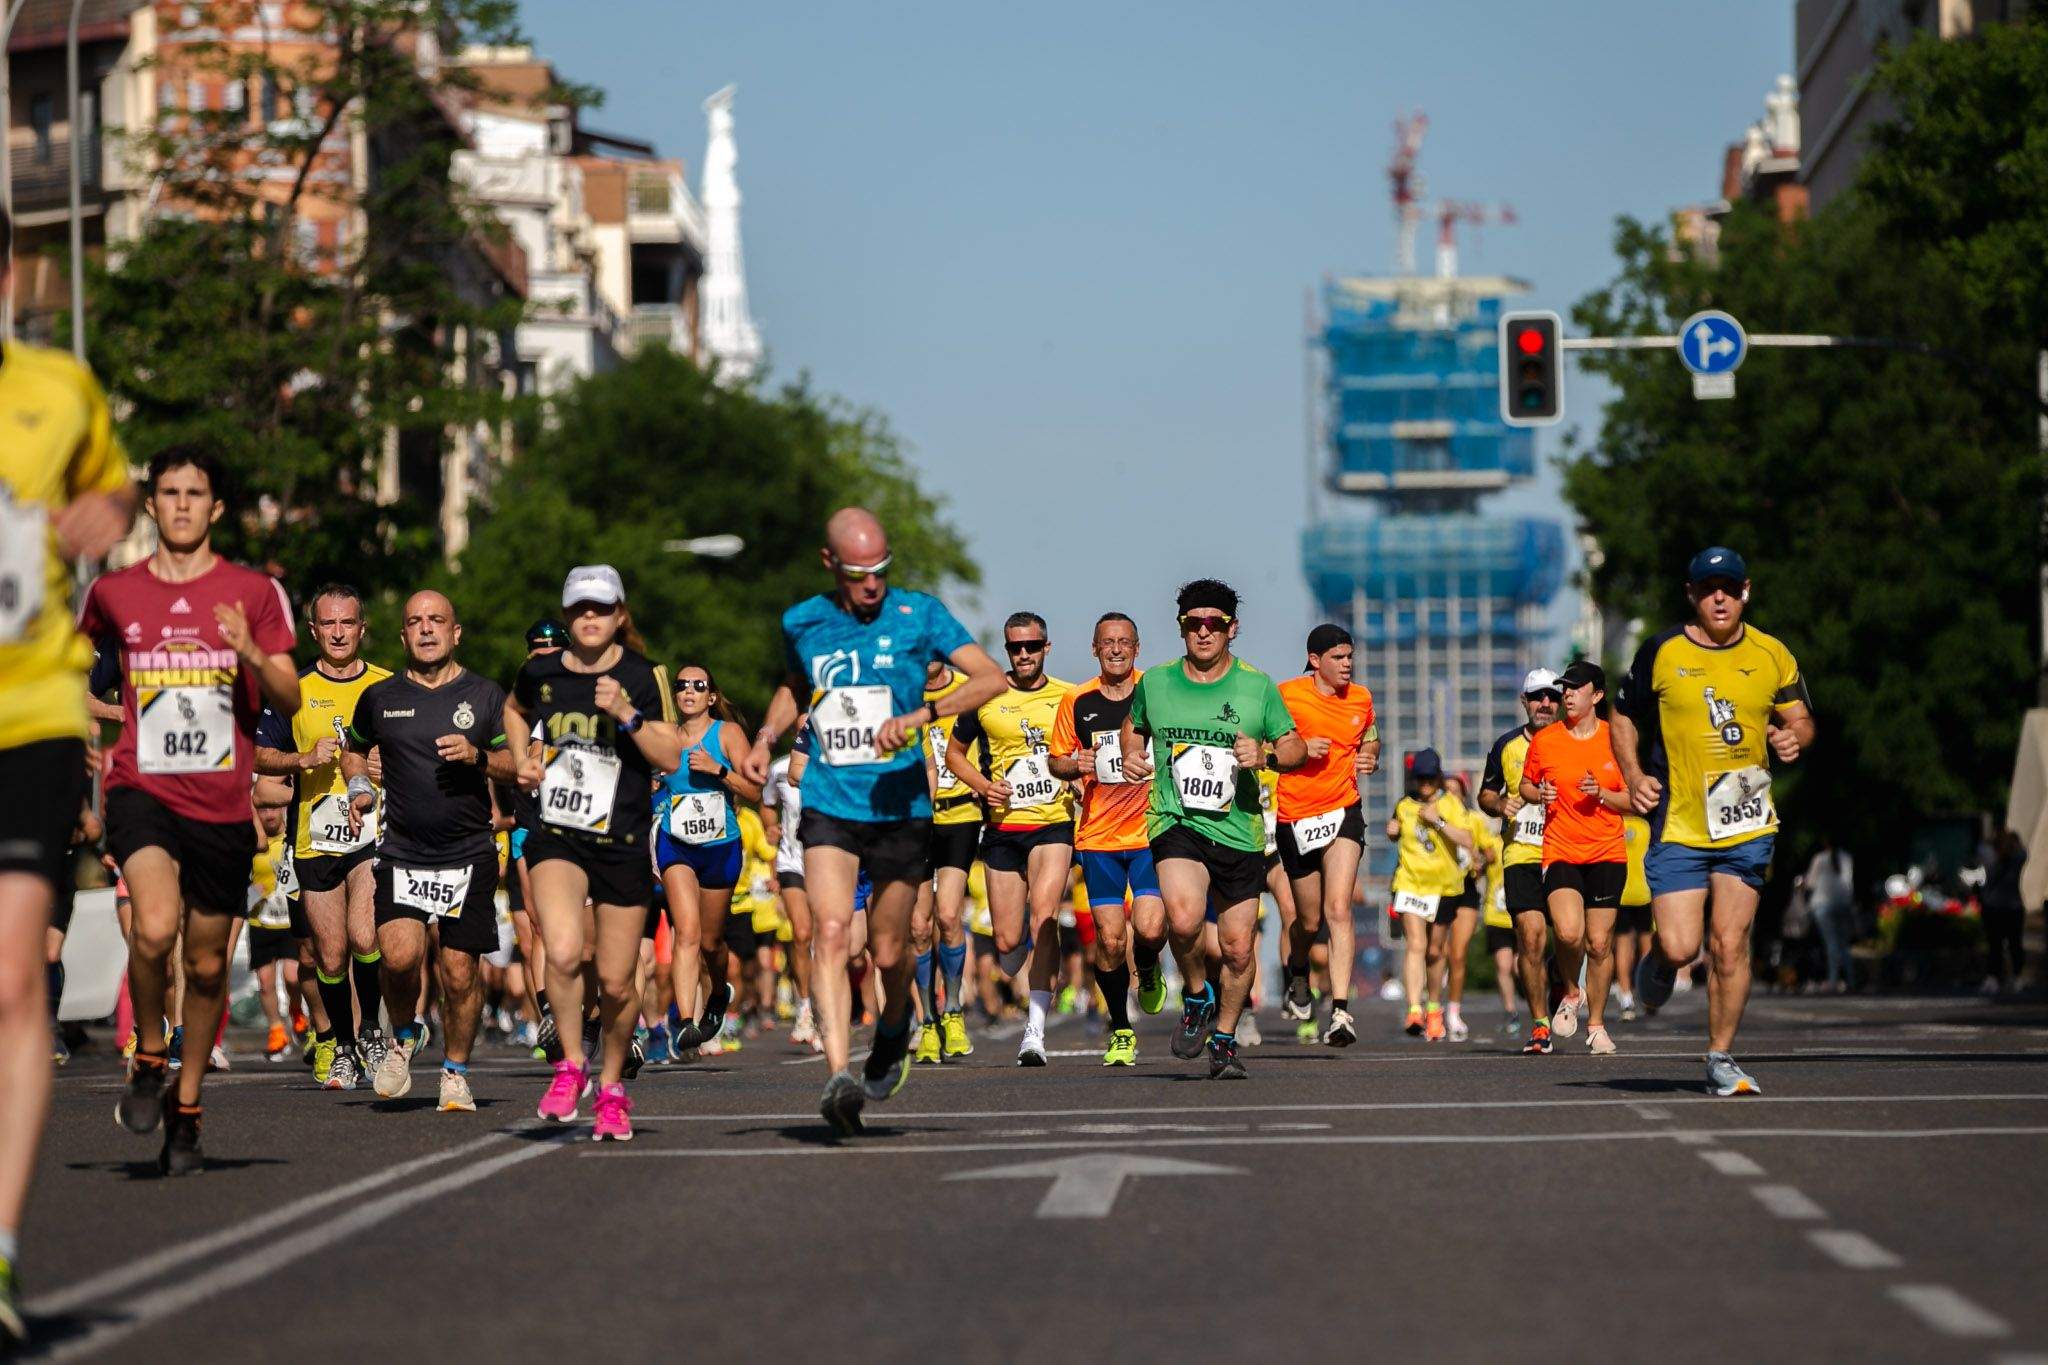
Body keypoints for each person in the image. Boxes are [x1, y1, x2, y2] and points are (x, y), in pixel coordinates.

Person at [739, 507, 1004, 1134]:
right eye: (858, 574)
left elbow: (989, 677)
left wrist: (924, 715)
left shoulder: (920, 614)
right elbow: (794, 687)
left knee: (890, 949)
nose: (871, 586)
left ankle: (894, 1029)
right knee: (830, 932)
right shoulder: (802, 620)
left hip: (900, 805)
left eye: (880, 572)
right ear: (830, 564)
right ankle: (837, 1076)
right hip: (831, 799)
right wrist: (766, 734)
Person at [0, 199, 137, 1340]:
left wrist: (104, 512)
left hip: (30, 711)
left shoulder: (57, 392)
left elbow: (116, 487)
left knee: (12, 983)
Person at [86, 447, 299, 1176]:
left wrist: (250, 651)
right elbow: (68, 662)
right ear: (151, 505)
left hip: (220, 801)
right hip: (142, 788)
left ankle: (187, 1102)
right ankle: (149, 1052)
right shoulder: (114, 591)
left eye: (195, 493)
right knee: (152, 927)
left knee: (207, 965)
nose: (180, 505)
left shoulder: (255, 591)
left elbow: (291, 697)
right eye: (168, 492)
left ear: (215, 507)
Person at [1616, 547, 1815, 1097]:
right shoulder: (1661, 650)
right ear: (1693, 595)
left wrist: (1793, 737)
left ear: (1745, 591)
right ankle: (1658, 963)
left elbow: (1801, 719)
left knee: (1729, 944)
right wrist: (1632, 775)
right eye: (1708, 589)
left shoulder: (1773, 653)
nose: (1719, 598)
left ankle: (1721, 1057)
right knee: (1681, 947)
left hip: (1747, 817)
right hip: (1679, 821)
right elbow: (1624, 715)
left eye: (1728, 587)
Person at [510, 566, 682, 1140]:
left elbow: (669, 755)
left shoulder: (643, 674)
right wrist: (525, 760)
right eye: (580, 608)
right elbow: (514, 712)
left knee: (615, 982)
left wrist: (627, 715)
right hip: (558, 833)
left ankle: (611, 1085)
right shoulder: (540, 671)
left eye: (601, 608)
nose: (590, 618)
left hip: (623, 839)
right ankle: (568, 1063)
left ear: (620, 616)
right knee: (559, 952)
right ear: (566, 616)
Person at [1121, 579, 1305, 1080]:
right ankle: (1197, 994)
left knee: (1239, 947)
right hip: (1175, 818)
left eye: (1214, 624)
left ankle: (1223, 1039)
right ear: (1180, 627)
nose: (1204, 633)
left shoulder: (1257, 686)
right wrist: (1132, 754)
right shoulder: (1155, 682)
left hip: (1239, 831)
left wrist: (1264, 755)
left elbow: (1295, 748)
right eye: (1193, 624)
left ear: (1232, 629)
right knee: (1181, 922)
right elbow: (1135, 725)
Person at [344, 591, 521, 1112]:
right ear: (402, 636)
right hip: (403, 850)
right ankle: (404, 1034)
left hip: (469, 852)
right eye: (415, 622)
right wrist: (359, 788)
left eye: (436, 620)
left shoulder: (487, 696)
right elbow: (353, 749)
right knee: (398, 958)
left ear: (455, 631)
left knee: (460, 971)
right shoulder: (380, 697)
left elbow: (521, 764)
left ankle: (455, 1071)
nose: (425, 630)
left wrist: (479, 756)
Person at [253, 585, 390, 1091]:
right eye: (328, 624)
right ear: (314, 631)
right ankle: (345, 1046)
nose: (338, 633)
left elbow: (418, 752)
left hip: (373, 832)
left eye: (347, 623)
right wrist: (302, 759)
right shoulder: (294, 690)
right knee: (328, 956)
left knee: (365, 936)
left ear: (362, 628)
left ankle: (372, 1030)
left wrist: (386, 764)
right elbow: (257, 755)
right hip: (314, 836)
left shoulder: (386, 686)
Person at [943, 612, 1075, 1066]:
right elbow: (953, 755)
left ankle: (1034, 1033)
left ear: (1046, 647)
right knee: (1006, 943)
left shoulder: (1068, 697)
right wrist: (984, 788)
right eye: (1015, 648)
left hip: (1053, 823)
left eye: (1032, 647)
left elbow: (1083, 752)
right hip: (1002, 827)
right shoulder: (985, 696)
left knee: (1043, 917)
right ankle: (1017, 959)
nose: (1023, 655)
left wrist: (1078, 775)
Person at [1048, 612, 1164, 1067]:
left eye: (1124, 642)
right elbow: (1056, 761)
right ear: (1095, 649)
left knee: (1152, 928)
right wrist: (1076, 763)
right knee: (1110, 942)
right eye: (1107, 642)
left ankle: (1151, 964)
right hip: (1098, 836)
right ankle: (1120, 1028)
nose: (1116, 649)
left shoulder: (1155, 691)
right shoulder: (1077, 700)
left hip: (1150, 830)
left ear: (1137, 648)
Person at [1274, 624, 1380, 1048]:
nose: (1347, 665)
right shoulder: (1286, 695)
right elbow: (1262, 743)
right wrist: (1298, 747)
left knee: (1339, 909)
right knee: (1309, 919)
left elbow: (1370, 738)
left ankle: (1340, 1010)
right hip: (1295, 816)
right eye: (1338, 657)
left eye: (1350, 656)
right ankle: (1297, 971)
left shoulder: (1362, 698)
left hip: (1343, 811)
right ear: (1315, 661)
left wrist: (1370, 756)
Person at [1520, 660, 1630, 1055]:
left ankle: (1597, 1024)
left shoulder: (1616, 739)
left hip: (1606, 851)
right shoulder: (1547, 740)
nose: (1566, 694)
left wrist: (1601, 793)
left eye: (1575, 687)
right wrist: (1540, 795)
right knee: (1568, 933)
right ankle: (1570, 990)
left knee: (1600, 944)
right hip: (1562, 848)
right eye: (1564, 687)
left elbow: (1634, 800)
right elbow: (1526, 785)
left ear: (1597, 695)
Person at [656, 665, 761, 1054]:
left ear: (711, 697)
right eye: (682, 685)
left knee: (712, 942)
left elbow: (754, 790)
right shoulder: (665, 734)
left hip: (720, 845)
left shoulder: (727, 733)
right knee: (687, 932)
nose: (688, 691)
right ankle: (685, 1022)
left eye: (698, 686)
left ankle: (718, 992)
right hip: (675, 842)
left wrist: (718, 770)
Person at [1479, 669, 1562, 1051]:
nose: (1545, 703)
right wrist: (1499, 804)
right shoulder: (1506, 745)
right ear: (1524, 702)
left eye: (1552, 696)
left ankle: (1564, 988)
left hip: (1566, 851)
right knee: (1530, 939)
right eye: (1537, 697)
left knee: (1570, 936)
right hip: (1521, 853)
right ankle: (1540, 1024)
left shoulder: (1575, 742)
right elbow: (1485, 795)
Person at [911, 657, 982, 1063]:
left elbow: (993, 740)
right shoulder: (903, 694)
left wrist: (984, 780)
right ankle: (927, 1021)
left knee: (949, 916)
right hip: (917, 819)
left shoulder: (970, 689)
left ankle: (953, 1011)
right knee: (918, 927)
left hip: (960, 815)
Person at [1386, 750, 1475, 1041]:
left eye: (1429, 779)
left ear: (1438, 778)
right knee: (1416, 944)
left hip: (1445, 888)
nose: (1424, 785)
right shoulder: (1404, 805)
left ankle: (1434, 1008)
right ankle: (1414, 1008)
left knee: (1435, 951)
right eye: (1419, 779)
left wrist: (1438, 822)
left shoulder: (1450, 803)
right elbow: (1395, 829)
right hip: (1411, 883)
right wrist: (1393, 831)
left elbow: (1467, 839)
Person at [760, 734, 818, 1050]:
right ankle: (805, 1007)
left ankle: (825, 1009)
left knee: (827, 937)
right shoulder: (780, 768)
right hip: (791, 860)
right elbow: (767, 804)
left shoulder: (834, 763)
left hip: (825, 860)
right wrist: (771, 827)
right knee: (802, 933)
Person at [1438, 775, 1489, 1042]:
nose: (1450, 796)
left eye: (1456, 791)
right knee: (1435, 951)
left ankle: (1453, 1012)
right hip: (1438, 887)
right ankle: (1431, 1007)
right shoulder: (1433, 817)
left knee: (1458, 954)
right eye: (1446, 790)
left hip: (1466, 888)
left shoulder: (1474, 820)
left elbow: (1488, 850)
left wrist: (1481, 859)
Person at [1610, 813, 1653, 1019]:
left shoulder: (1614, 825)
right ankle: (1648, 995)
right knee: (1646, 945)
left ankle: (1626, 999)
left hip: (1620, 892)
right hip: (1644, 892)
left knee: (1622, 946)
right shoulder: (1646, 826)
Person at [1804, 836, 1856, 993]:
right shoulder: (1846, 858)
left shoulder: (1820, 859)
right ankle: (1851, 979)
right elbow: (1849, 882)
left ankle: (1833, 980)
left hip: (1822, 904)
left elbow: (1810, 883)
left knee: (1831, 944)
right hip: (1843, 904)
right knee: (1843, 945)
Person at [1980, 830, 2026, 995]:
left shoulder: (2012, 858)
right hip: (2001, 906)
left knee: (2010, 944)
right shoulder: (1996, 859)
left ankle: (2013, 976)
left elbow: (2022, 852)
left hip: (2004, 906)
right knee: (1997, 945)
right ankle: (1997, 977)